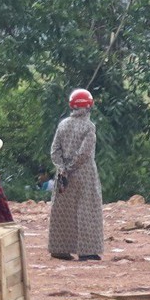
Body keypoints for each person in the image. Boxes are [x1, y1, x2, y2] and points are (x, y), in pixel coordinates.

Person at [47, 88, 104, 260]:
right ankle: (87, 251)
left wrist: (62, 168)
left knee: (63, 211)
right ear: (89, 106)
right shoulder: (89, 126)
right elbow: (84, 153)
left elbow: (54, 150)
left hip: (63, 175)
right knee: (87, 210)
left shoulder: (63, 124)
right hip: (84, 173)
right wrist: (71, 167)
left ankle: (60, 248)